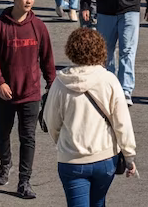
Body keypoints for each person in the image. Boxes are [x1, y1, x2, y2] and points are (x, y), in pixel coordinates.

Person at [44, 27, 139, 205]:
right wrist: (129, 155)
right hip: (104, 158)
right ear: (100, 49)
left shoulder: (60, 82)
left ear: (71, 50)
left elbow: (51, 121)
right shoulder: (109, 80)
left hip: (70, 159)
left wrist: (63, 142)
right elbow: (122, 123)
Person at [0, 0, 56, 199]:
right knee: (2, 134)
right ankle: (5, 163)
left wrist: (52, 84)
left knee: (28, 137)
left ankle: (24, 181)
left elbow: (47, 59)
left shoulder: (39, 27)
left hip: (30, 93)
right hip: (4, 94)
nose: (29, 1)